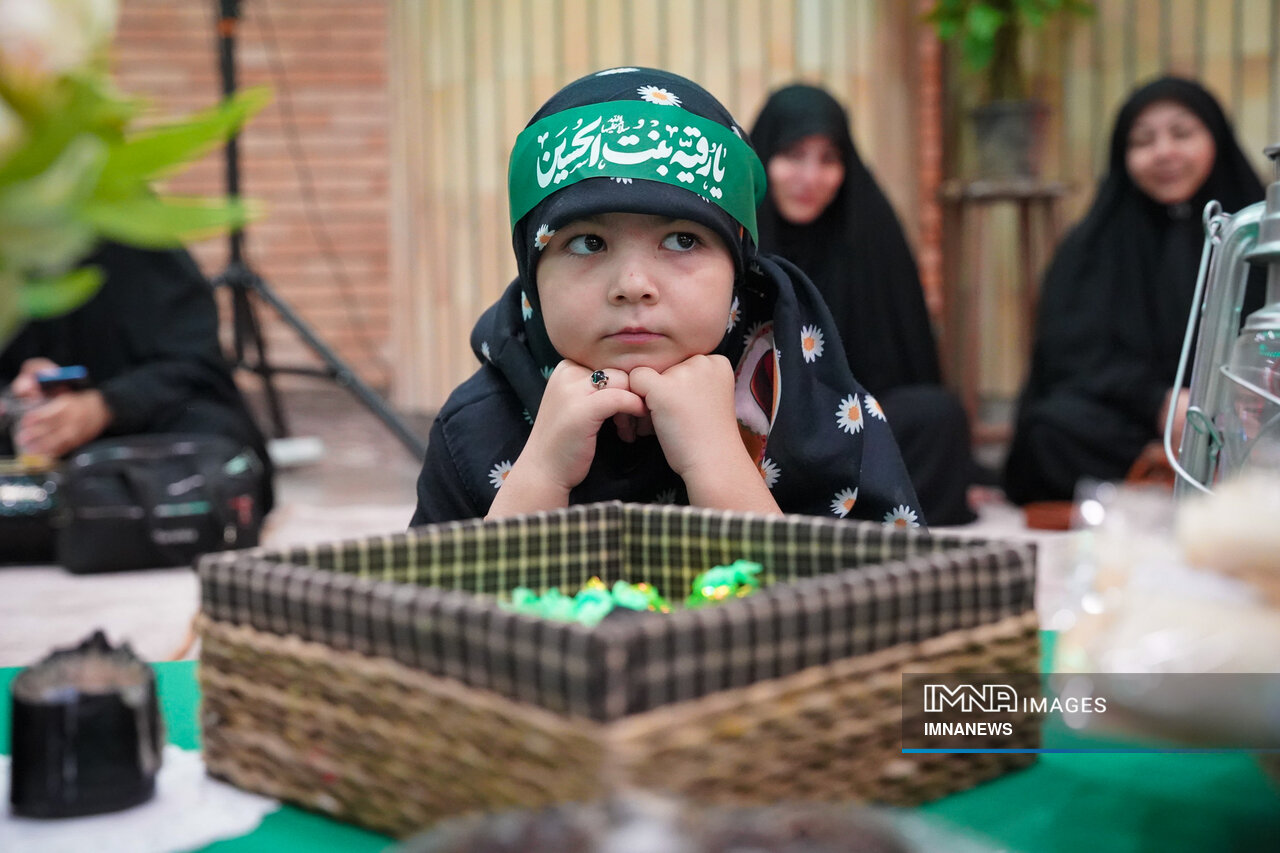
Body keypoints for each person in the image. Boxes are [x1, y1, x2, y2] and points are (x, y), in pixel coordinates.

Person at [411, 68, 921, 526]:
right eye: (588, 243)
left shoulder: (815, 416)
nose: (633, 284)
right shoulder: (474, 431)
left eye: (682, 240)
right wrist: (539, 476)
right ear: (532, 271)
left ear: (738, 267)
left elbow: (887, 599)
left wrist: (718, 465)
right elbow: (428, 602)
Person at [1003, 76, 1265, 505]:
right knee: (1050, 431)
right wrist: (1160, 403)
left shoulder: (1256, 233)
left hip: (1242, 419)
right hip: (1136, 427)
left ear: (1216, 138)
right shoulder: (1093, 244)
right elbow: (1074, 357)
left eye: (1181, 133)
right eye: (1143, 140)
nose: (1164, 152)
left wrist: (1226, 404)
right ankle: (1165, 480)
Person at [749, 83, 978, 525]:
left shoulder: (869, 232)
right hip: (765, 426)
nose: (810, 178)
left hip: (853, 419)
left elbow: (903, 365)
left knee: (938, 416)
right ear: (765, 159)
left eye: (828, 160)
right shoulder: (738, 233)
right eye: (793, 155)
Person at [0, 240, 274, 511]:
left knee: (210, 437)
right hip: (27, 434)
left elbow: (195, 363)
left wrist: (104, 406)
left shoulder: (135, 242)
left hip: (146, 427)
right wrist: (18, 394)